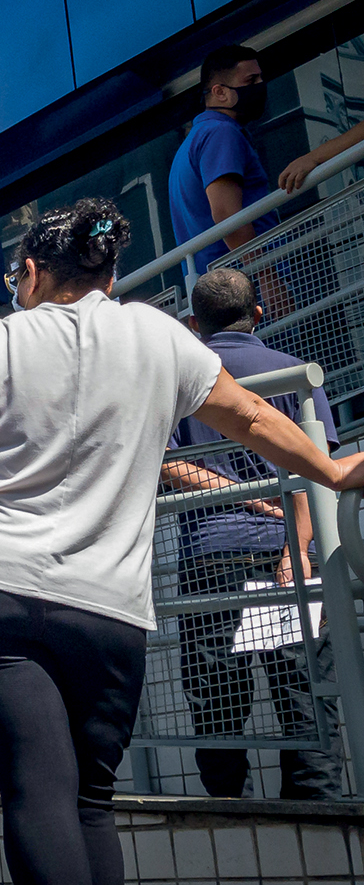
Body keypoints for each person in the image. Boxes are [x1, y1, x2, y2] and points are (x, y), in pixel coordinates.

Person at [0, 198, 364, 885]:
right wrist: (329, 469)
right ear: (110, 276)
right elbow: (253, 416)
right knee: (92, 800)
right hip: (106, 604)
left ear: (30, 273)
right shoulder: (161, 336)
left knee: (36, 791)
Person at [163, 268, 345, 799]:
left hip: (211, 555)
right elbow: (317, 471)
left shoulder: (181, 384)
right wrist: (298, 548)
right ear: (259, 314)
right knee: (305, 689)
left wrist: (236, 496)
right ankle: (319, 811)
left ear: (193, 323)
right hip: (288, 555)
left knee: (215, 696)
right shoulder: (295, 373)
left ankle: (226, 811)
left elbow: (168, 465)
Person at [167, 45, 279, 281]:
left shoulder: (194, 141)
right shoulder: (221, 133)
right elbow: (227, 214)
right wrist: (269, 283)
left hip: (220, 293)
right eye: (251, 80)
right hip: (247, 290)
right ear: (219, 92)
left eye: (260, 77)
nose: (260, 85)